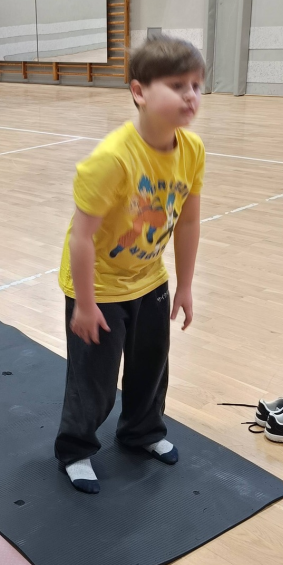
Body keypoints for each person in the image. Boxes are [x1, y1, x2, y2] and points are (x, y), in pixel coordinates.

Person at [55, 35, 205, 492]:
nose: (191, 96)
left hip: (149, 278)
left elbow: (188, 221)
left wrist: (185, 285)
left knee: (151, 367)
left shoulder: (192, 150)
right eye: (177, 85)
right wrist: (84, 304)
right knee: (94, 378)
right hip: (98, 285)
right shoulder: (111, 159)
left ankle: (142, 431)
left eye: (197, 85)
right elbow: (82, 237)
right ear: (139, 91)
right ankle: (75, 449)